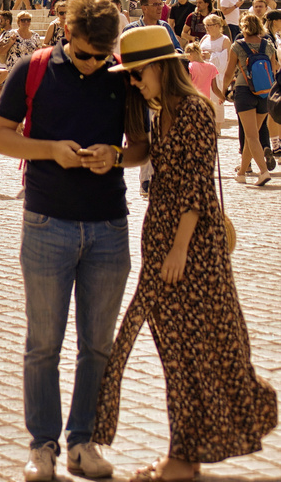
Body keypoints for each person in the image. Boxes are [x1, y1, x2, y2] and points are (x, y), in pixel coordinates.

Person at [94, 29, 278, 481]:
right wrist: (115, 157)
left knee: (195, 350)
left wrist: (178, 248)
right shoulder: (164, 113)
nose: (135, 83)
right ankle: (185, 450)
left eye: (137, 74)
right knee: (176, 351)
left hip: (191, 250)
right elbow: (153, 159)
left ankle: (187, 452)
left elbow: (196, 185)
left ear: (160, 67)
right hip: (167, 240)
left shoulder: (194, 110)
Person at [0, 0, 141, 482]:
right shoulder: (32, 70)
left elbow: (141, 146)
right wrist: (50, 150)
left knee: (97, 346)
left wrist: (114, 157)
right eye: (86, 54)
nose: (96, 63)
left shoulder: (120, 76)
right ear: (66, 34)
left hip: (109, 226)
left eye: (103, 55)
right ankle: (42, 447)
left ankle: (83, 443)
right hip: (46, 223)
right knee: (43, 344)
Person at [223, 13, 276, 187]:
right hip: (265, 92)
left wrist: (223, 91)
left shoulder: (237, 46)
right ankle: (241, 173)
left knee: (251, 135)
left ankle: (263, 172)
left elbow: (229, 71)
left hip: (245, 91)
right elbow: (274, 70)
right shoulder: (268, 45)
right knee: (252, 135)